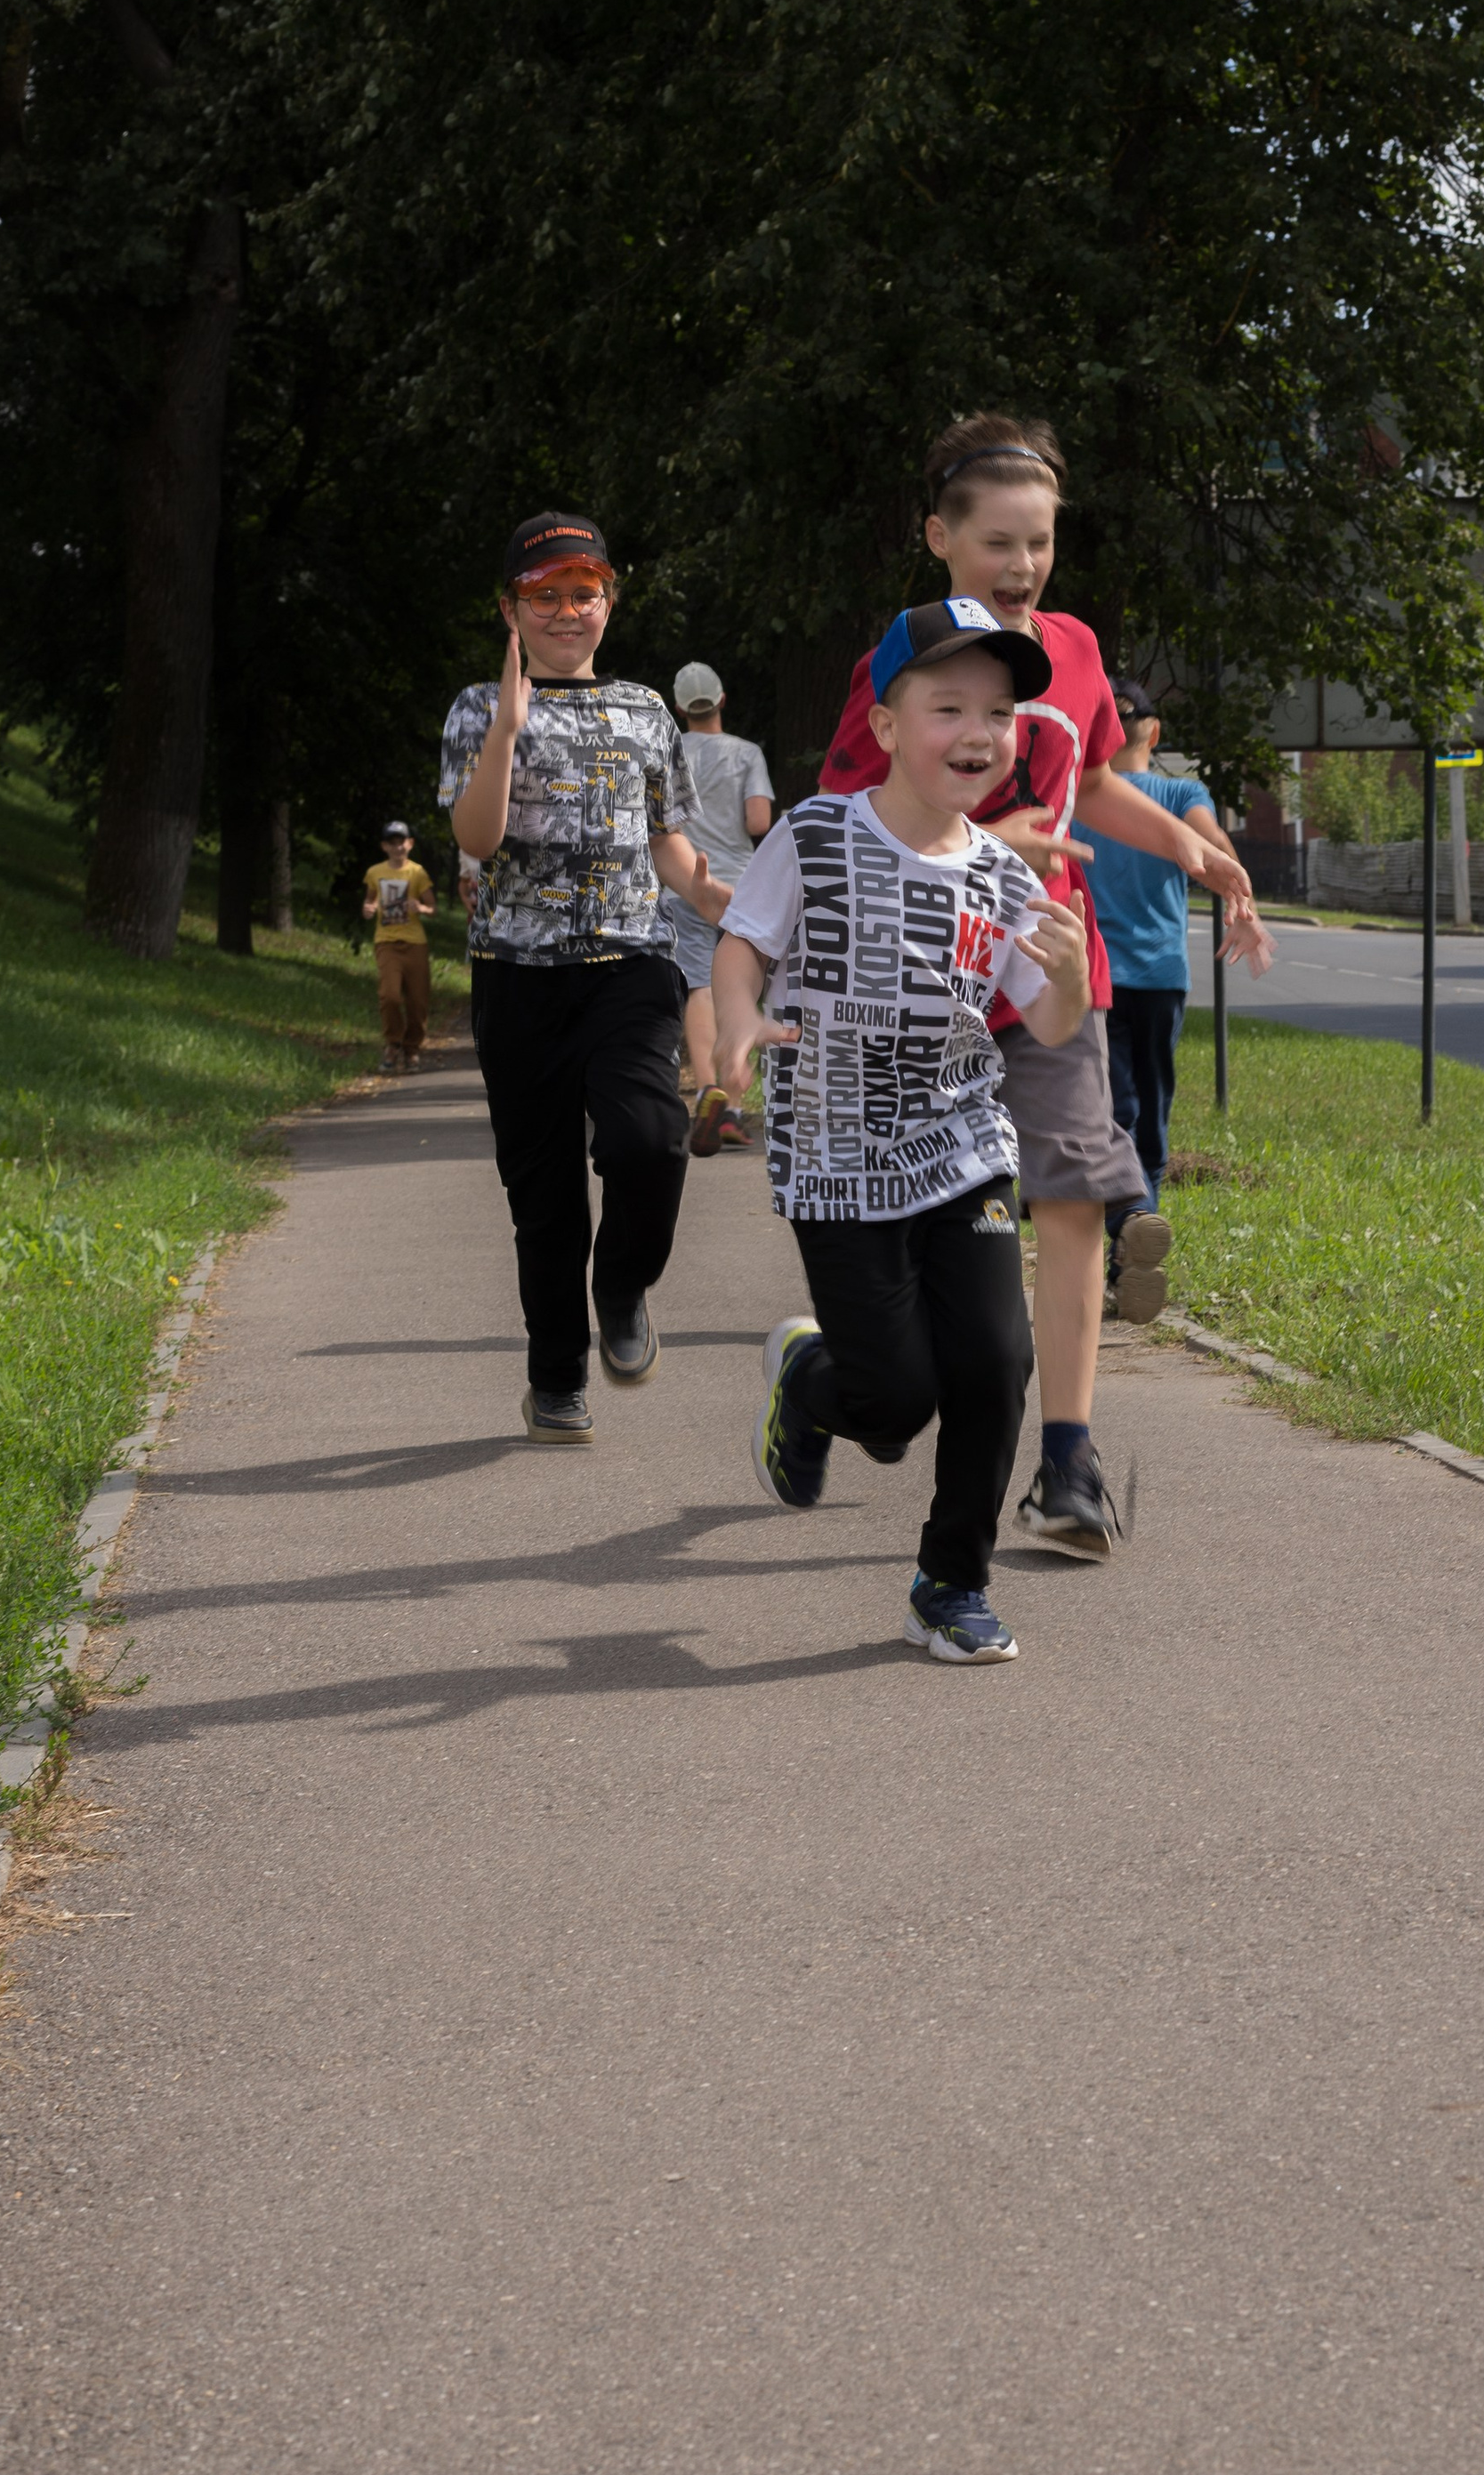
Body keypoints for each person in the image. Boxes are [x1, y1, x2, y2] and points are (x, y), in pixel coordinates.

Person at [820, 412, 1266, 1560]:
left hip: (1058, 971)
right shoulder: (906, 656)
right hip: (927, 991)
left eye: (1040, 543)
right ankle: (840, 1373)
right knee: (920, 1278)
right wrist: (978, 842)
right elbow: (844, 821)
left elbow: (1104, 782)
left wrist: (1193, 852)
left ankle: (1068, 1459)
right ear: (940, 538)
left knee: (1073, 1194)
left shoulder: (1069, 647)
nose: (1023, 568)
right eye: (998, 544)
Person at [714, 596, 1091, 1663]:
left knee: (992, 1362)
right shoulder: (817, 833)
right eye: (948, 707)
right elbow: (743, 943)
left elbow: (1049, 1022)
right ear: (883, 725)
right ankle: (813, 1380)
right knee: (892, 1405)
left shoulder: (1004, 876)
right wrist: (737, 1021)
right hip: (833, 1150)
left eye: (1000, 713)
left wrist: (1063, 978)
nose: (978, 734)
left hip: (960, 1143)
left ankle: (950, 1582)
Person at [441, 512, 731, 1447]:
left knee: (651, 1140)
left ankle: (623, 1283)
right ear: (512, 609)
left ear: (608, 602)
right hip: (517, 979)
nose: (567, 611)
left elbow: (671, 845)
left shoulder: (647, 710)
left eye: (584, 592)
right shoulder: (476, 709)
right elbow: (476, 841)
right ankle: (556, 1376)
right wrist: (510, 726)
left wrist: (725, 898)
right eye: (545, 595)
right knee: (544, 1196)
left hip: (630, 966)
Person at [1072, 682, 1269, 1309]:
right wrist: (1239, 901)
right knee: (1150, 1118)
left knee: (1109, 1111)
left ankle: (1128, 1230)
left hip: (1089, 977)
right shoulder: (1181, 794)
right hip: (1160, 977)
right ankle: (1135, 1227)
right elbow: (1213, 852)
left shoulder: (1078, 796)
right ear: (1153, 735)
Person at [657, 660, 775, 1155]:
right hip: (741, 888)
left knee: (700, 987)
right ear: (722, 700)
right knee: (741, 990)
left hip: (684, 884)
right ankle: (733, 1103)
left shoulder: (668, 750)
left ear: (679, 707)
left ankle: (708, 1090)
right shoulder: (746, 753)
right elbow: (758, 820)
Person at [359, 818, 435, 1074]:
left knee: (417, 1000)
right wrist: (368, 909)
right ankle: (392, 1044)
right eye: (392, 843)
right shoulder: (375, 872)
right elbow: (369, 902)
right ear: (384, 846)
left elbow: (432, 907)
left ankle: (412, 1049)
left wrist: (421, 908)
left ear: (410, 844)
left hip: (415, 942)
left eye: (401, 842)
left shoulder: (417, 873)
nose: (397, 847)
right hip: (387, 942)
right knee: (389, 996)